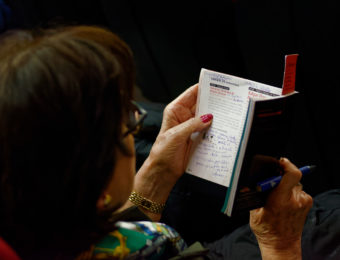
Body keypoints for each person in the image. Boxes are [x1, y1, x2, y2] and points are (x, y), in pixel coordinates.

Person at [0, 25, 312, 259]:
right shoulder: (148, 250)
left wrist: (158, 174)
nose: (137, 127)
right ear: (92, 182)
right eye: (128, 122)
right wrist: (279, 243)